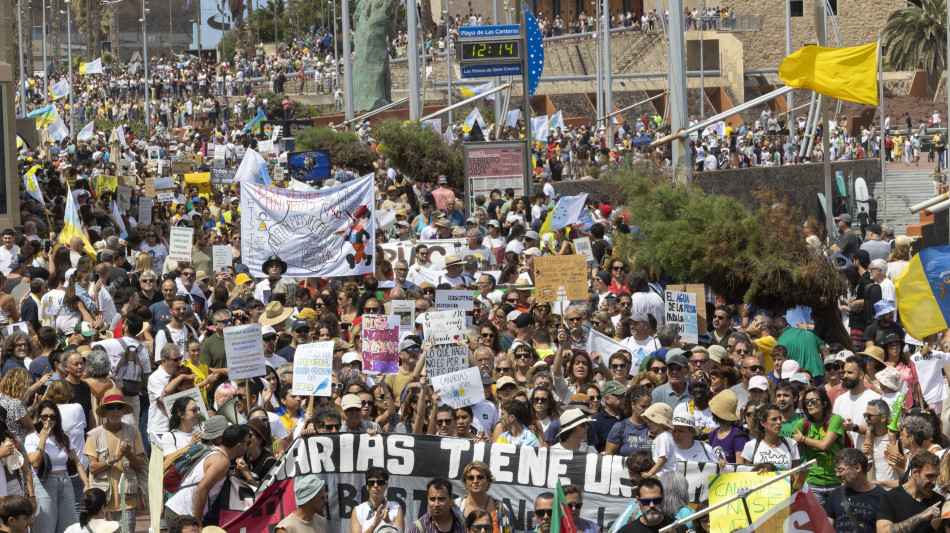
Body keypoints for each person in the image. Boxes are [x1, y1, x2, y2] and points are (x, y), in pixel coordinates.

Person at [164, 424, 250, 528]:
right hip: (183, 516)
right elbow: (201, 490)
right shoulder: (222, 461)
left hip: (178, 511)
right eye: (247, 442)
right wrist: (198, 524)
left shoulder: (213, 451)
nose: (248, 446)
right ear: (239, 445)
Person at [84, 390, 146, 529]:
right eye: (111, 407)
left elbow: (140, 465)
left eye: (119, 407)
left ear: (124, 411)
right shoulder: (94, 435)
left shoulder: (133, 431)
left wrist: (129, 454)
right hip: (102, 503)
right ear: (105, 411)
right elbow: (92, 468)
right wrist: (114, 459)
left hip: (127, 500)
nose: (115, 411)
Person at [26, 400, 90, 533]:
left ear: (57, 419)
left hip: (66, 483)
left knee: (69, 528)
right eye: (45, 416)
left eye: (52, 417)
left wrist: (87, 482)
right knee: (45, 529)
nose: (48, 420)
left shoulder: (63, 437)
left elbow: (77, 462)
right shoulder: (32, 438)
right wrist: (42, 439)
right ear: (39, 417)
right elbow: (35, 463)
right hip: (45, 485)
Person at [791, 387, 847, 505]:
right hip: (812, 482)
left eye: (813, 401)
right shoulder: (802, 424)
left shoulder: (835, 419)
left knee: (837, 521)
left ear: (824, 403)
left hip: (836, 480)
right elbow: (798, 455)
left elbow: (824, 445)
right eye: (806, 402)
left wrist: (802, 439)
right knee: (818, 522)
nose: (809, 404)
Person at [876, 451, 944, 533]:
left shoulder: (939, 501)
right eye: (929, 476)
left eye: (936, 476)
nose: (934, 482)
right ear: (915, 473)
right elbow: (882, 531)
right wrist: (920, 517)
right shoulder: (890, 498)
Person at [824, 448, 886, 533]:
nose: (837, 474)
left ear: (857, 468)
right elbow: (827, 527)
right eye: (837, 470)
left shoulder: (883, 497)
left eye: (840, 470)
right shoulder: (835, 494)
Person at [454, 462, 514, 533]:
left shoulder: (502, 509)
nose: (475, 481)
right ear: (465, 482)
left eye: (480, 477)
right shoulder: (454, 506)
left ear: (488, 480)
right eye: (471, 478)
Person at [738, 403, 800, 469]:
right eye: (774, 419)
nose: (779, 422)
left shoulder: (791, 444)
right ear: (763, 423)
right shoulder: (751, 446)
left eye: (780, 418)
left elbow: (796, 473)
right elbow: (746, 474)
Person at [616, 478, 683, 533]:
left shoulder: (678, 527)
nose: (652, 505)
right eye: (646, 501)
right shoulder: (626, 531)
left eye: (656, 500)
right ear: (638, 501)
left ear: (663, 498)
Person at [350, 467, 405, 533]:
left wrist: (389, 523)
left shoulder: (396, 509)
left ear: (386, 485)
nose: (375, 486)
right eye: (371, 483)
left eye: (380, 482)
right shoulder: (358, 511)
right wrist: (374, 524)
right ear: (367, 486)